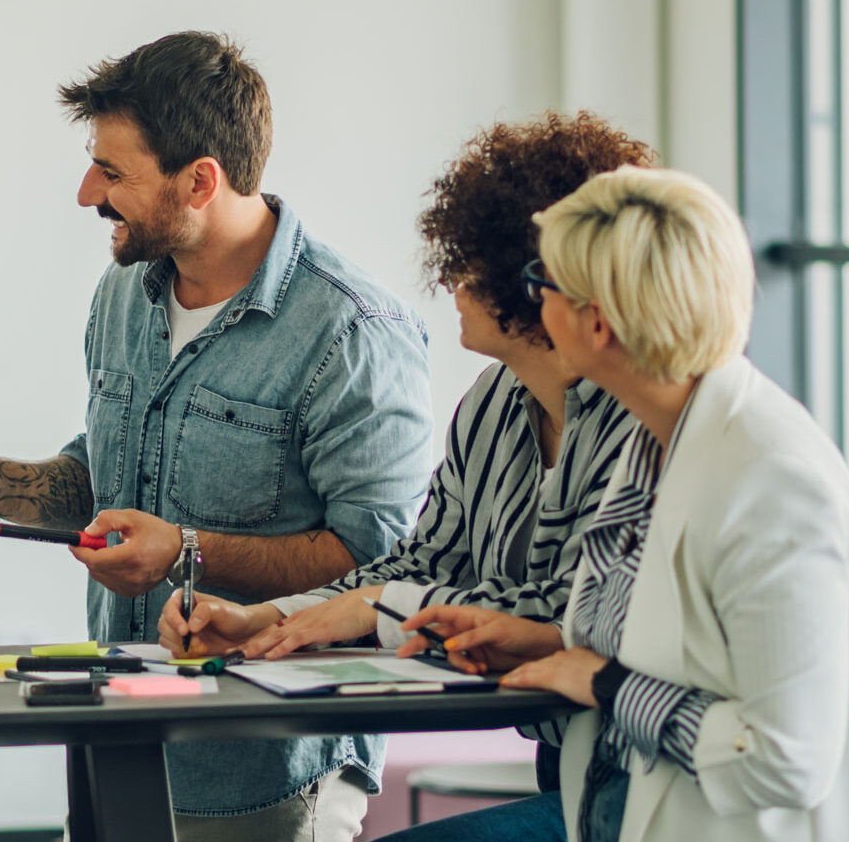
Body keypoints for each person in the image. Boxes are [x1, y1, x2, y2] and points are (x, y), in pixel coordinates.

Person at [0, 32, 437, 841]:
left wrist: (186, 549)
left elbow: (381, 559)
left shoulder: (352, 332)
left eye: (112, 173)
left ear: (201, 180)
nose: (86, 194)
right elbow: (102, 488)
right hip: (120, 744)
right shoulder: (122, 295)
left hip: (267, 768)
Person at [380, 167, 849, 842]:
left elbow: (784, 760)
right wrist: (547, 640)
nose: (530, 302)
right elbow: (680, 650)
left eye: (541, 287)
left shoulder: (773, 484)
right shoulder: (655, 443)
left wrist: (604, 685)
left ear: (596, 323)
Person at [160, 112, 652, 822]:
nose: (449, 276)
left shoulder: (639, 418)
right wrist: (267, 620)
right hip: (569, 763)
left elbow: (575, 615)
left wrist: (380, 608)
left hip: (646, 778)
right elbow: (422, 562)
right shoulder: (493, 402)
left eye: (469, 256)